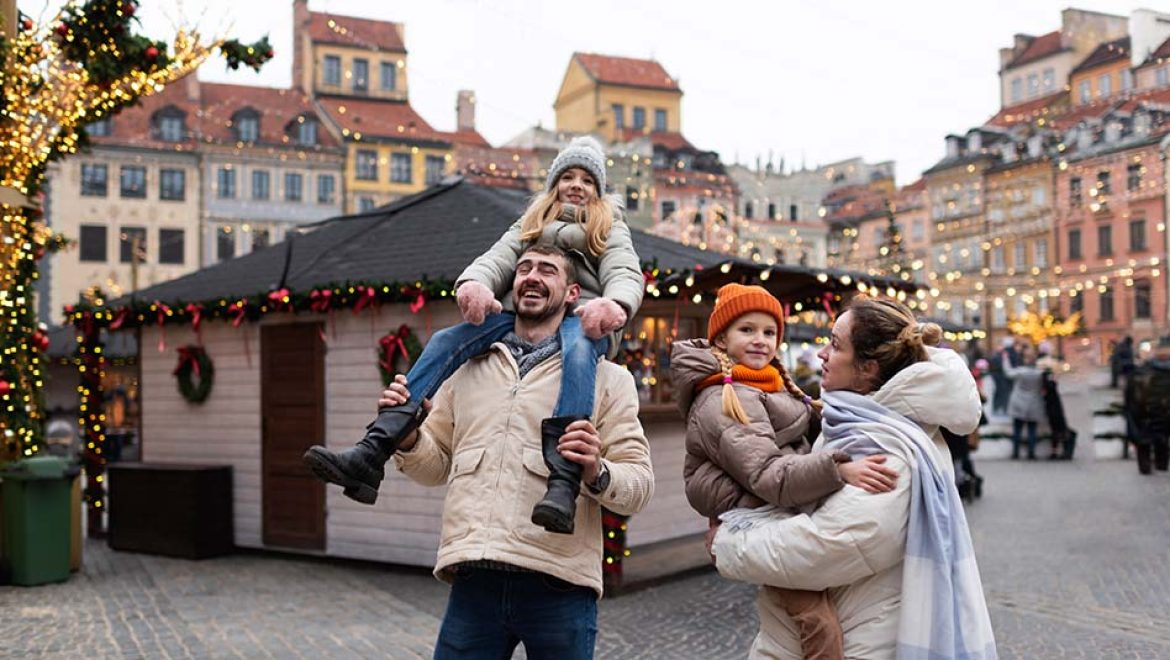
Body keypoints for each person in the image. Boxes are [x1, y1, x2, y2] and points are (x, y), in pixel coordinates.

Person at [304, 136, 644, 533]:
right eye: (567, 176)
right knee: (448, 339)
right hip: (523, 315)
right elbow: (496, 259)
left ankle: (563, 480)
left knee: (580, 352)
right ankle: (373, 449)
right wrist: (475, 285)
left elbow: (624, 271)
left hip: (585, 319)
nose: (577, 185)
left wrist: (615, 305)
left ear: (599, 192)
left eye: (588, 180)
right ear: (553, 186)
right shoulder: (530, 225)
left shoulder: (609, 228)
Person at [380, 245, 653, 659]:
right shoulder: (466, 368)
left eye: (547, 270)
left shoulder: (608, 379)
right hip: (474, 580)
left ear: (573, 293)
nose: (532, 276)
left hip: (559, 584)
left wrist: (597, 471)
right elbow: (434, 468)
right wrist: (407, 438)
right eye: (524, 268)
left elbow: (640, 486)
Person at [706, 295, 995, 659]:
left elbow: (829, 544)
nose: (822, 354)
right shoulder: (857, 422)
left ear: (867, 369)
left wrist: (728, 543)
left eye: (835, 345)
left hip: (858, 640)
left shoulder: (888, 448)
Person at [672, 284, 899, 659]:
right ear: (722, 338)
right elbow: (767, 473)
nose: (760, 340)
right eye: (747, 330)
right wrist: (838, 469)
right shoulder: (723, 397)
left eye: (769, 331)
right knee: (819, 625)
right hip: (755, 517)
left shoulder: (772, 384)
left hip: (777, 513)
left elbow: (804, 428)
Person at [1124, 335, 1170, 475]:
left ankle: (1145, 466)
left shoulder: (1143, 369)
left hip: (1144, 413)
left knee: (1143, 439)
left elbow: (1130, 392)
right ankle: (1161, 465)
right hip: (1165, 413)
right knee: (1162, 438)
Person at [1005, 344, 1047, 460]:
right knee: (1032, 430)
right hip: (1034, 403)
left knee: (1017, 429)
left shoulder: (1021, 372)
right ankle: (1031, 452)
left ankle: (1016, 452)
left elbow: (1008, 373)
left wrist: (1005, 359)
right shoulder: (1039, 373)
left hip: (1019, 402)